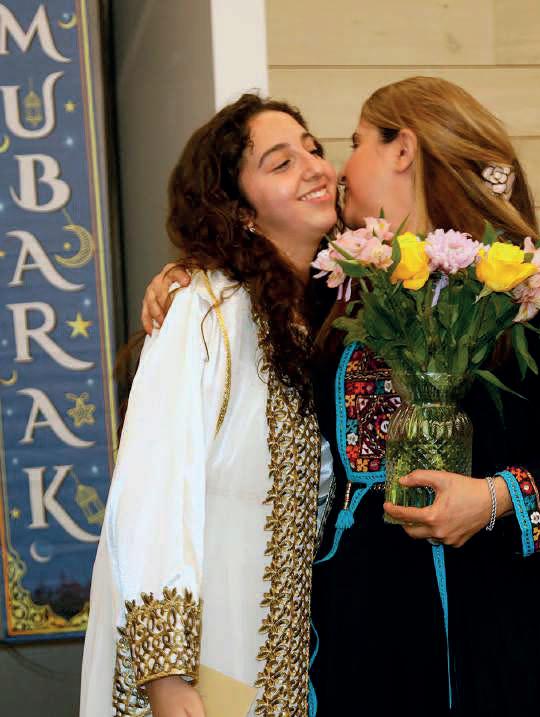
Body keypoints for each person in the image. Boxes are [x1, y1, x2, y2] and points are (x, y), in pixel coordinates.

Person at [141, 77, 540, 717]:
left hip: (520, 626)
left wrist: (495, 498)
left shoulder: (535, 286)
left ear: (403, 149)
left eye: (354, 142)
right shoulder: (337, 289)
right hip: (370, 636)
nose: (337, 169)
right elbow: (256, 275)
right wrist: (191, 275)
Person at [80, 94, 339, 717]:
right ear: (240, 210)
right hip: (206, 656)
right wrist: (166, 674)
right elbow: (152, 488)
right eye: (280, 162)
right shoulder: (204, 310)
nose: (314, 167)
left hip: (285, 657)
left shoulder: (323, 316)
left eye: (313, 149)